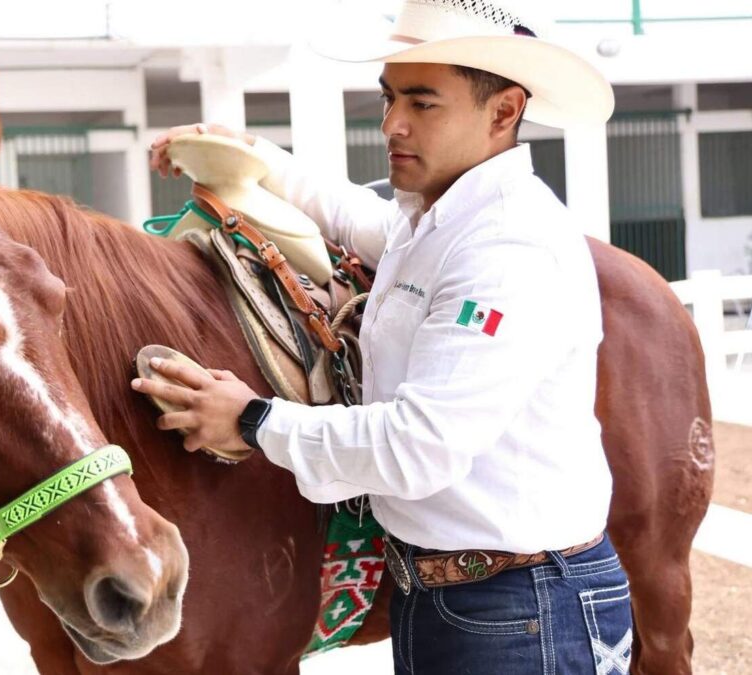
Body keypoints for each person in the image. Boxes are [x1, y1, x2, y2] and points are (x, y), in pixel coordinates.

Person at [133, 1, 633, 673]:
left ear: (504, 111)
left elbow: (418, 447)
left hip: (518, 609)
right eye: (391, 97)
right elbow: (357, 218)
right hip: (461, 597)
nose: (392, 123)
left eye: (423, 104)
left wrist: (251, 419)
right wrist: (248, 156)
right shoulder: (438, 220)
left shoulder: (506, 245)